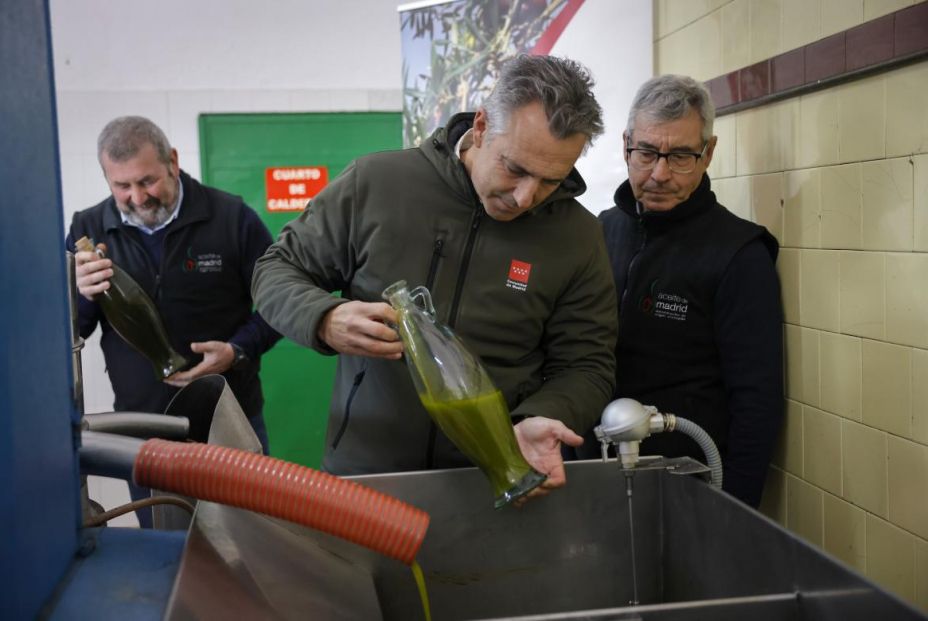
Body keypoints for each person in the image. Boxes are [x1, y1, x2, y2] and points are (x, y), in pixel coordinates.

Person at [252, 54, 617, 502]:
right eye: (515, 169)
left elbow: (587, 364)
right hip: (367, 475)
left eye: (550, 181)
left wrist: (541, 416)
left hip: (496, 480)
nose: (526, 197)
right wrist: (324, 317)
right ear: (481, 126)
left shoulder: (577, 236)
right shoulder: (377, 183)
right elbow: (275, 269)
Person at [68, 116, 282, 523]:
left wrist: (237, 351)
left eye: (147, 181)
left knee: (249, 540)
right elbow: (76, 330)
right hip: (143, 430)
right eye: (121, 186)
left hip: (229, 420)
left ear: (173, 161)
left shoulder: (231, 217)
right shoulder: (89, 228)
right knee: (165, 550)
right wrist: (76, 291)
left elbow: (280, 307)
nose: (137, 197)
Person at [596, 74, 783, 508]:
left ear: (708, 153)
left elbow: (757, 402)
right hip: (598, 472)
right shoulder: (600, 232)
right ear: (626, 144)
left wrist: (733, 515)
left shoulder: (739, 254)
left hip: (688, 486)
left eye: (680, 156)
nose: (660, 174)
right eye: (646, 153)